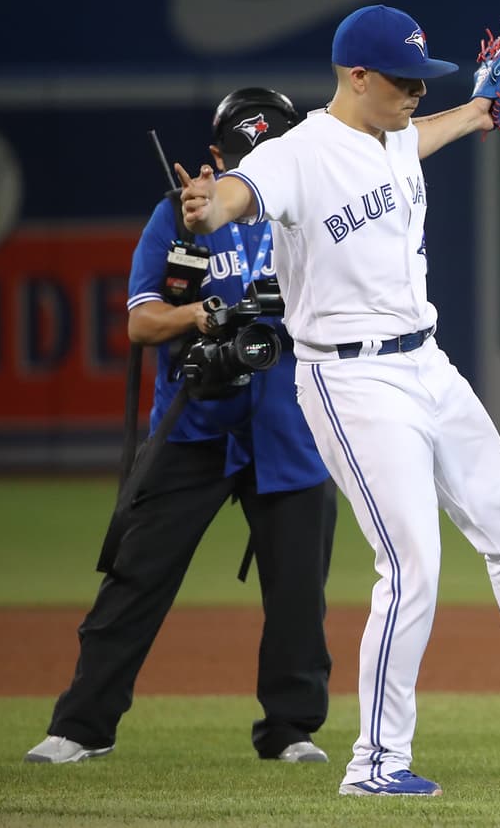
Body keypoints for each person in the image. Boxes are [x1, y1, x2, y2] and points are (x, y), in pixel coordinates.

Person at [175, 4, 500, 798]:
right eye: (404, 80)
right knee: (412, 566)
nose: (416, 92)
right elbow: (240, 194)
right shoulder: (297, 154)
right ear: (357, 76)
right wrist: (208, 205)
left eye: (422, 80)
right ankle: (375, 762)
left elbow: (420, 135)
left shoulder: (395, 132)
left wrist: (476, 110)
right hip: (350, 380)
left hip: (427, 363)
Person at [25, 88, 338, 766]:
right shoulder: (179, 216)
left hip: (291, 428)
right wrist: (200, 316)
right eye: (245, 159)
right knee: (135, 578)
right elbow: (141, 322)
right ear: (216, 158)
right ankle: (82, 727)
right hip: (195, 426)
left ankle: (291, 731)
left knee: (297, 596)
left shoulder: (315, 217)